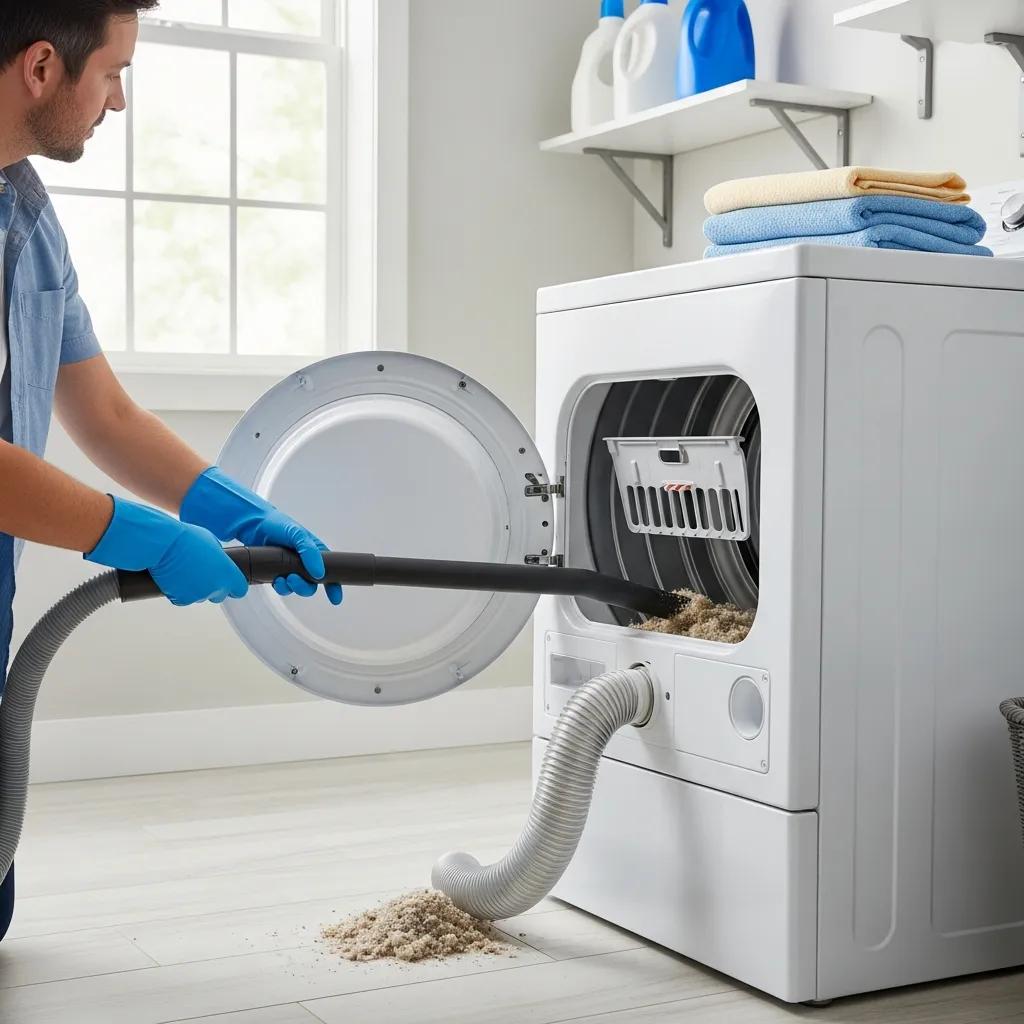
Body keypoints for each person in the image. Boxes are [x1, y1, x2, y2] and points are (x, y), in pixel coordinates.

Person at [0, 1, 343, 942]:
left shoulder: (25, 215)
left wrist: (238, 512)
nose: (118, 103)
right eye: (113, 74)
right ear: (41, 67)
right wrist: (145, 536)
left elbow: (103, 413)